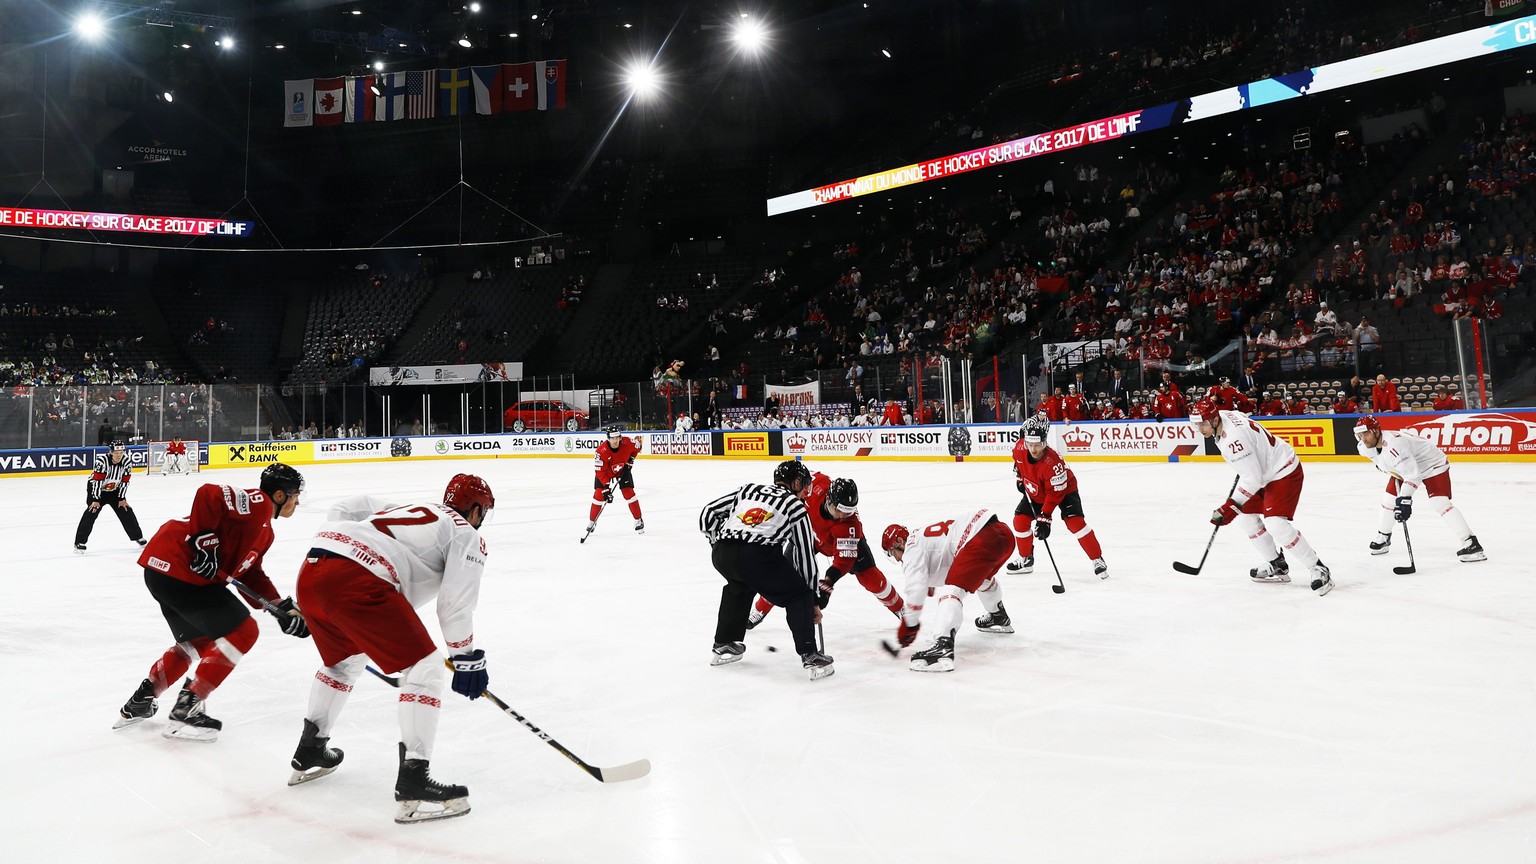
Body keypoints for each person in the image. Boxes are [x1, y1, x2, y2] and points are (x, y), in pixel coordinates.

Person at [286, 473, 496, 824]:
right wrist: (465, 658)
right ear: (475, 510)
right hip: (357, 579)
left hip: (313, 568)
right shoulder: (466, 533)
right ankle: (414, 780)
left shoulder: (413, 507)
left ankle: (310, 750)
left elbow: (346, 506)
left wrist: (345, 547)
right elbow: (454, 607)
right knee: (425, 668)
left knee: (345, 662)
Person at [113, 464, 310, 741]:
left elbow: (251, 573)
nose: (297, 502)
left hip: (164, 573)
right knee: (245, 631)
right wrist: (204, 541)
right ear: (279, 495)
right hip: (180, 569)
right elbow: (209, 494)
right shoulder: (258, 504)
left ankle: (142, 700)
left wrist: (279, 606)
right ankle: (187, 708)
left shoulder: (266, 533)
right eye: (295, 496)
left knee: (200, 642)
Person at [699, 460, 833, 680]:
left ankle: (724, 643)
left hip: (723, 554)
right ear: (797, 482)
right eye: (805, 486)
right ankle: (810, 654)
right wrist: (812, 599)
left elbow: (708, 514)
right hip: (757, 556)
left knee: (739, 585)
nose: (805, 493)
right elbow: (804, 555)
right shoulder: (795, 506)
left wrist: (719, 544)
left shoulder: (749, 490)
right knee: (798, 594)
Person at [1191, 399, 1333, 595]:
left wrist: (1229, 506)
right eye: (1196, 424)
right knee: (1246, 518)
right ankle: (1277, 564)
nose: (1200, 428)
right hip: (1264, 469)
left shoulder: (1233, 441)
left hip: (1283, 471)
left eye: (1203, 423)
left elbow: (1253, 479)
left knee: (1276, 524)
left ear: (1215, 419)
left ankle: (1318, 568)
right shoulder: (1223, 414)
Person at [747, 475, 904, 628]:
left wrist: (828, 583)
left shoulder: (850, 525)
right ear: (829, 499)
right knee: (782, 575)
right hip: (807, 534)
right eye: (839, 510)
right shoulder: (815, 485)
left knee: (871, 578)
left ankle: (900, 608)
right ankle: (759, 609)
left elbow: (843, 561)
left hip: (837, 542)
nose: (842, 516)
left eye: (848, 512)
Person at [881, 507, 1015, 673]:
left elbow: (915, 590)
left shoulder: (910, 551)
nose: (897, 559)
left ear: (900, 542)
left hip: (983, 538)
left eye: (894, 554)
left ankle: (942, 647)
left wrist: (909, 624)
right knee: (981, 578)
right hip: (1003, 535)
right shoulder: (920, 538)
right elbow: (942, 557)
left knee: (951, 591)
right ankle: (997, 615)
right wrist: (927, 582)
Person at [1352, 415, 1484, 562]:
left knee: (1440, 503)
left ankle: (1471, 542)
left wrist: (1404, 500)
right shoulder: (1364, 447)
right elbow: (1400, 468)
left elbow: (1412, 475)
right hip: (1407, 466)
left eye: (1367, 433)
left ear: (1376, 431)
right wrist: (1400, 498)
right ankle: (1384, 537)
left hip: (1432, 464)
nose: (1363, 439)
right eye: (1360, 435)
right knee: (1388, 500)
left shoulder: (1394, 445)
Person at [1007, 415, 1107, 577]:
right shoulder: (1019, 448)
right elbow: (1018, 462)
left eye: (1037, 445)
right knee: (1020, 520)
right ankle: (1026, 559)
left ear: (1044, 443)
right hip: (1037, 488)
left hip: (1064, 490)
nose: (1033, 449)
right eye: (1030, 445)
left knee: (1075, 522)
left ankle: (1097, 559)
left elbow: (1055, 495)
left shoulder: (1053, 464)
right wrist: (1020, 478)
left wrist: (1045, 518)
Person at [75, 439, 145, 552]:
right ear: (111, 452)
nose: (119, 455)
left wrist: (121, 498)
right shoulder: (102, 461)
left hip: (114, 490)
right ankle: (79, 542)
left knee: (126, 510)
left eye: (121, 452)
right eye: (116, 453)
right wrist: (96, 499)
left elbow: (125, 481)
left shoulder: (127, 461)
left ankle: (138, 537)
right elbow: (97, 482)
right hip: (97, 490)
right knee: (91, 512)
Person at [588, 426, 644, 535]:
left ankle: (638, 520)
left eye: (617, 437)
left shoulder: (627, 442)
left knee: (629, 493)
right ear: (608, 438)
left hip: (622, 469)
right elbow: (600, 472)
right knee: (599, 495)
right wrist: (606, 488)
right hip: (606, 473)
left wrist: (631, 460)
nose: (615, 441)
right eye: (613, 438)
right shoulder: (601, 451)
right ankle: (592, 521)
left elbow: (638, 446)